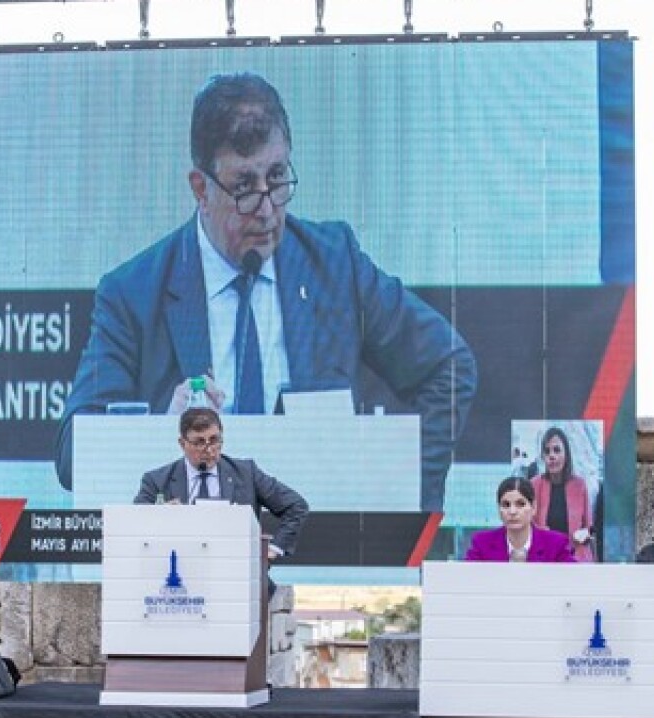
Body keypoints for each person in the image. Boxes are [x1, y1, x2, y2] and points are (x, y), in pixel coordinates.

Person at [57, 72, 477, 511]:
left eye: (277, 179)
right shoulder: (134, 294)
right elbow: (71, 452)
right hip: (193, 542)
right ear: (201, 189)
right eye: (243, 188)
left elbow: (450, 368)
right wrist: (161, 432)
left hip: (316, 536)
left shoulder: (335, 266)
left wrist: (400, 494)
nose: (267, 210)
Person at [134, 407, 309, 559]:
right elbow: (135, 525)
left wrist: (273, 549)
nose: (209, 450)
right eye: (199, 442)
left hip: (239, 570)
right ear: (182, 443)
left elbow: (296, 506)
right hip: (179, 572)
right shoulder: (156, 481)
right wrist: (160, 516)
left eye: (214, 440)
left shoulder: (246, 473)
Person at [465, 477, 575, 563]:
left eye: (520, 504)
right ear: (499, 510)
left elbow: (575, 579)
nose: (512, 511)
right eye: (506, 505)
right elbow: (466, 579)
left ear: (533, 507)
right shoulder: (482, 543)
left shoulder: (556, 544)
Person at [529, 427, 595, 562]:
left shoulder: (580, 485)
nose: (552, 456)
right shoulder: (534, 485)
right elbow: (527, 526)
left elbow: (589, 527)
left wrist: (584, 534)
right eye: (547, 451)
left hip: (575, 559)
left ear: (566, 454)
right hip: (544, 558)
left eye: (557, 450)